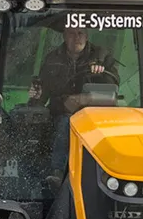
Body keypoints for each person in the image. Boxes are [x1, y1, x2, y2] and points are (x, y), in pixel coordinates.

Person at [28, 25, 119, 179]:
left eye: (80, 33)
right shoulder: (52, 59)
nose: (76, 37)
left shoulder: (102, 57)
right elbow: (43, 93)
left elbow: (114, 86)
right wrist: (35, 98)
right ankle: (57, 173)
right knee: (65, 123)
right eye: (71, 33)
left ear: (87, 36)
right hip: (61, 112)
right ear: (64, 35)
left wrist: (101, 73)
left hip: (96, 115)